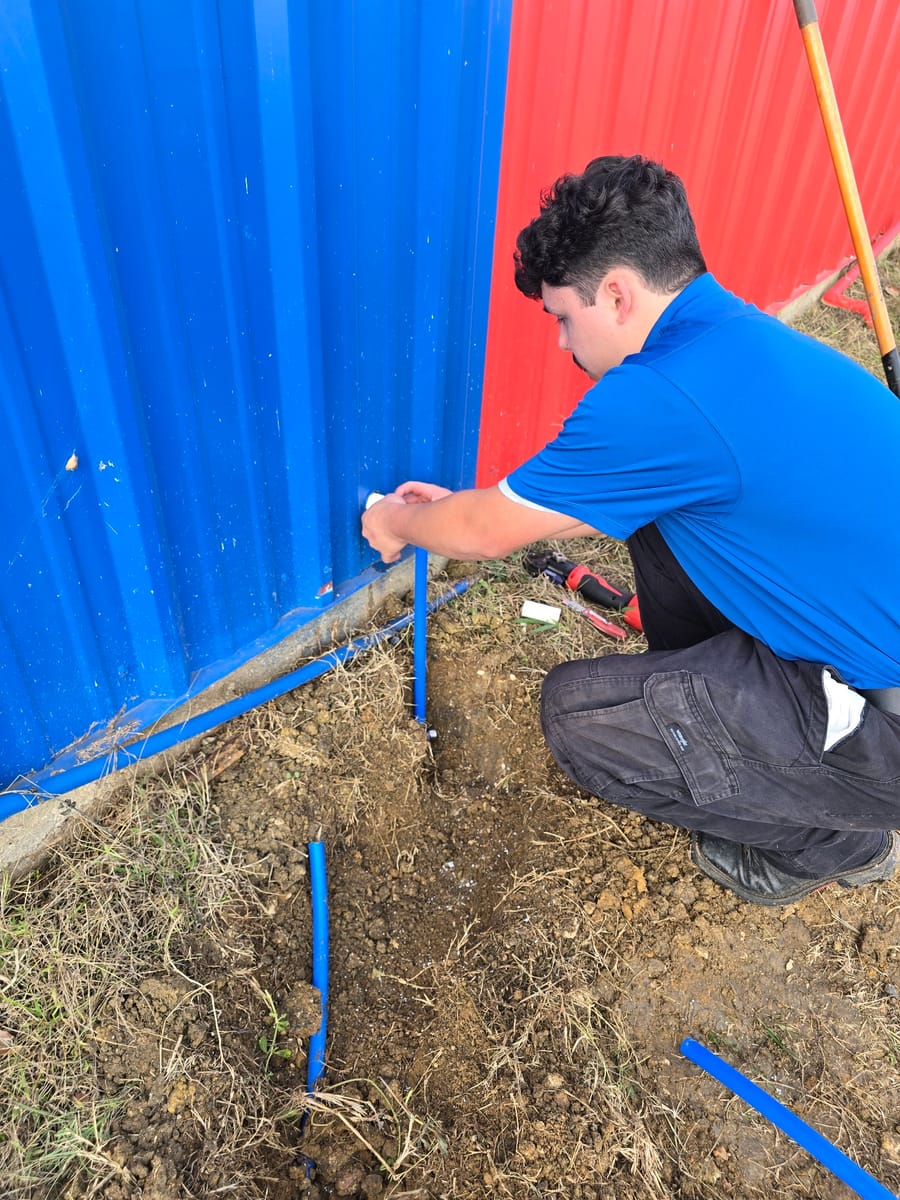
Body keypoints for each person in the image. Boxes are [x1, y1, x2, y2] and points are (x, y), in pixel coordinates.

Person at [361, 153, 900, 907]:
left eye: (562, 317)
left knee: (582, 719)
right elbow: (543, 504)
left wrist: (393, 520)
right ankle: (758, 734)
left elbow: (485, 533)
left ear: (615, 293)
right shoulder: (732, 335)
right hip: (867, 640)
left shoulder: (659, 398)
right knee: (660, 522)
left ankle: (838, 837)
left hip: (884, 724)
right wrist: (458, 509)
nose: (560, 343)